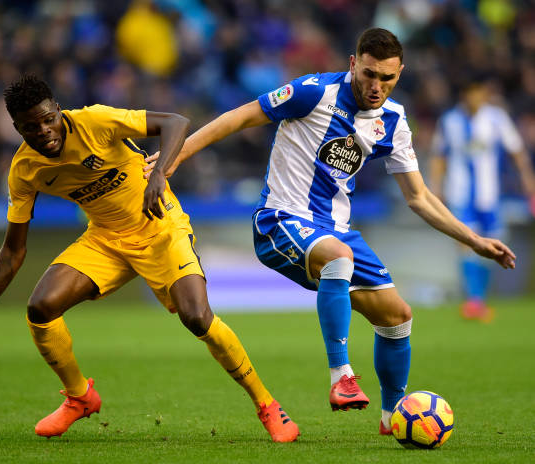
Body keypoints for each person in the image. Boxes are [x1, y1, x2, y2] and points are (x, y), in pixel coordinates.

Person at [144, 28, 517, 434]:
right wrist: (173, 159)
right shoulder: (312, 91)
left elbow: (419, 197)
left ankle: (393, 417)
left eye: (387, 79)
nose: (377, 87)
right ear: (354, 63)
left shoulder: (394, 121)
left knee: (397, 316)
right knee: (339, 257)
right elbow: (239, 117)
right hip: (279, 220)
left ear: (400, 73)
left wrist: (475, 240)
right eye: (370, 74)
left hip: (336, 230)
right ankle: (341, 376)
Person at [0, 75, 299, 443]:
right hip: (105, 240)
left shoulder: (94, 121)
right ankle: (79, 397)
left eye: (48, 118)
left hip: (160, 226)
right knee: (40, 308)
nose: (44, 131)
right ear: (16, 128)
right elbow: (13, 250)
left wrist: (159, 174)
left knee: (196, 317)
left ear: (58, 110)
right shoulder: (24, 170)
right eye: (30, 127)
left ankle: (268, 405)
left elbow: (175, 122)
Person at [429, 80, 535, 321]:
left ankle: (480, 299)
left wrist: (527, 178)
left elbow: (516, 150)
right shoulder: (449, 121)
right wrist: (435, 188)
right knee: (466, 243)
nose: (475, 97)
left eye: (479, 92)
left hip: (490, 196)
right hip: (460, 193)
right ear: (464, 94)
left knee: (493, 245)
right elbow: (439, 156)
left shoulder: (496, 118)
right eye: (471, 92)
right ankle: (474, 300)